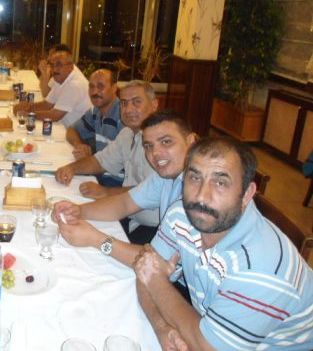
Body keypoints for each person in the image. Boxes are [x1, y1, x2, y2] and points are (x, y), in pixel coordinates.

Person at [134, 136, 313, 350]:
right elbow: (144, 272)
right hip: (212, 329)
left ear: (246, 194)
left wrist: (156, 281)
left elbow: (207, 346)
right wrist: (161, 327)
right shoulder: (182, 214)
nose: (201, 196)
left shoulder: (262, 268)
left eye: (220, 183)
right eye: (195, 178)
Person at [53, 110, 196, 266]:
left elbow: (158, 263)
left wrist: (95, 239)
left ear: (191, 142)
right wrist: (78, 211)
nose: (155, 152)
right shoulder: (165, 177)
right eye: (148, 146)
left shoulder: (198, 195)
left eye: (166, 142)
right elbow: (124, 203)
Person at [56, 80, 159, 242]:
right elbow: (100, 161)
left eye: (136, 102)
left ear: (154, 104)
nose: (128, 109)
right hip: (127, 215)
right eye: (124, 103)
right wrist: (71, 168)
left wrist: (106, 192)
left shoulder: (160, 144)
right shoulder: (127, 134)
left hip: (154, 231)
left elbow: (150, 191)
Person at [14, 48, 90, 128]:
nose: (54, 69)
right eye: (52, 65)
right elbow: (47, 104)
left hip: (78, 133)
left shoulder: (74, 85)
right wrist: (27, 107)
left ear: (71, 67)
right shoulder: (60, 77)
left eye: (59, 65)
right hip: (65, 126)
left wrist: (27, 114)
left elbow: (54, 116)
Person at [66, 69, 124, 161]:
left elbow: (118, 163)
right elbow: (71, 130)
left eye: (101, 86)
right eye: (91, 86)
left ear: (114, 88)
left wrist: (88, 159)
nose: (94, 92)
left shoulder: (123, 117)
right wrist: (80, 146)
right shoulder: (95, 111)